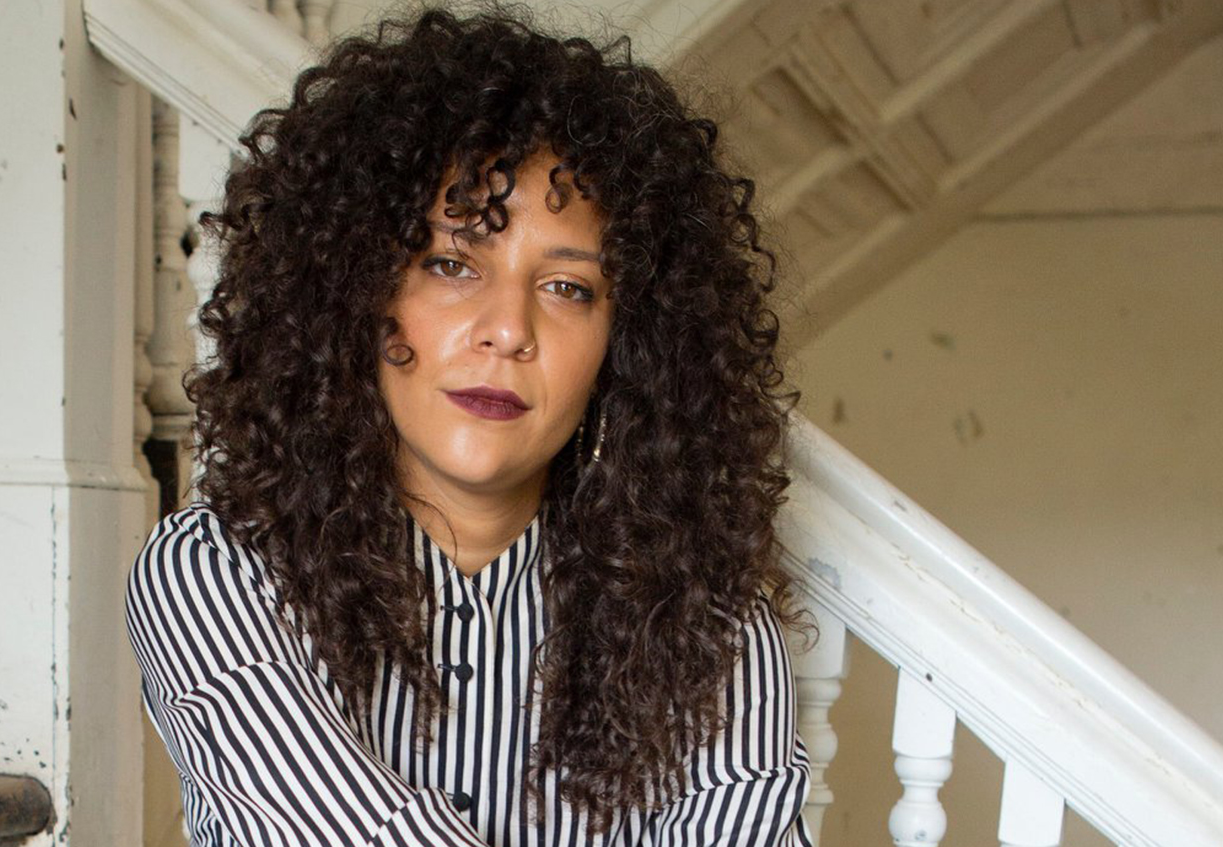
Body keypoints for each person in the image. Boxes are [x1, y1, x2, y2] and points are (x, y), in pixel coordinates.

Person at [124, 2, 814, 844]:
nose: (509, 329)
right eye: (452, 264)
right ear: (357, 292)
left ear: (626, 344)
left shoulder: (711, 628)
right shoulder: (214, 572)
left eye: (568, 287)